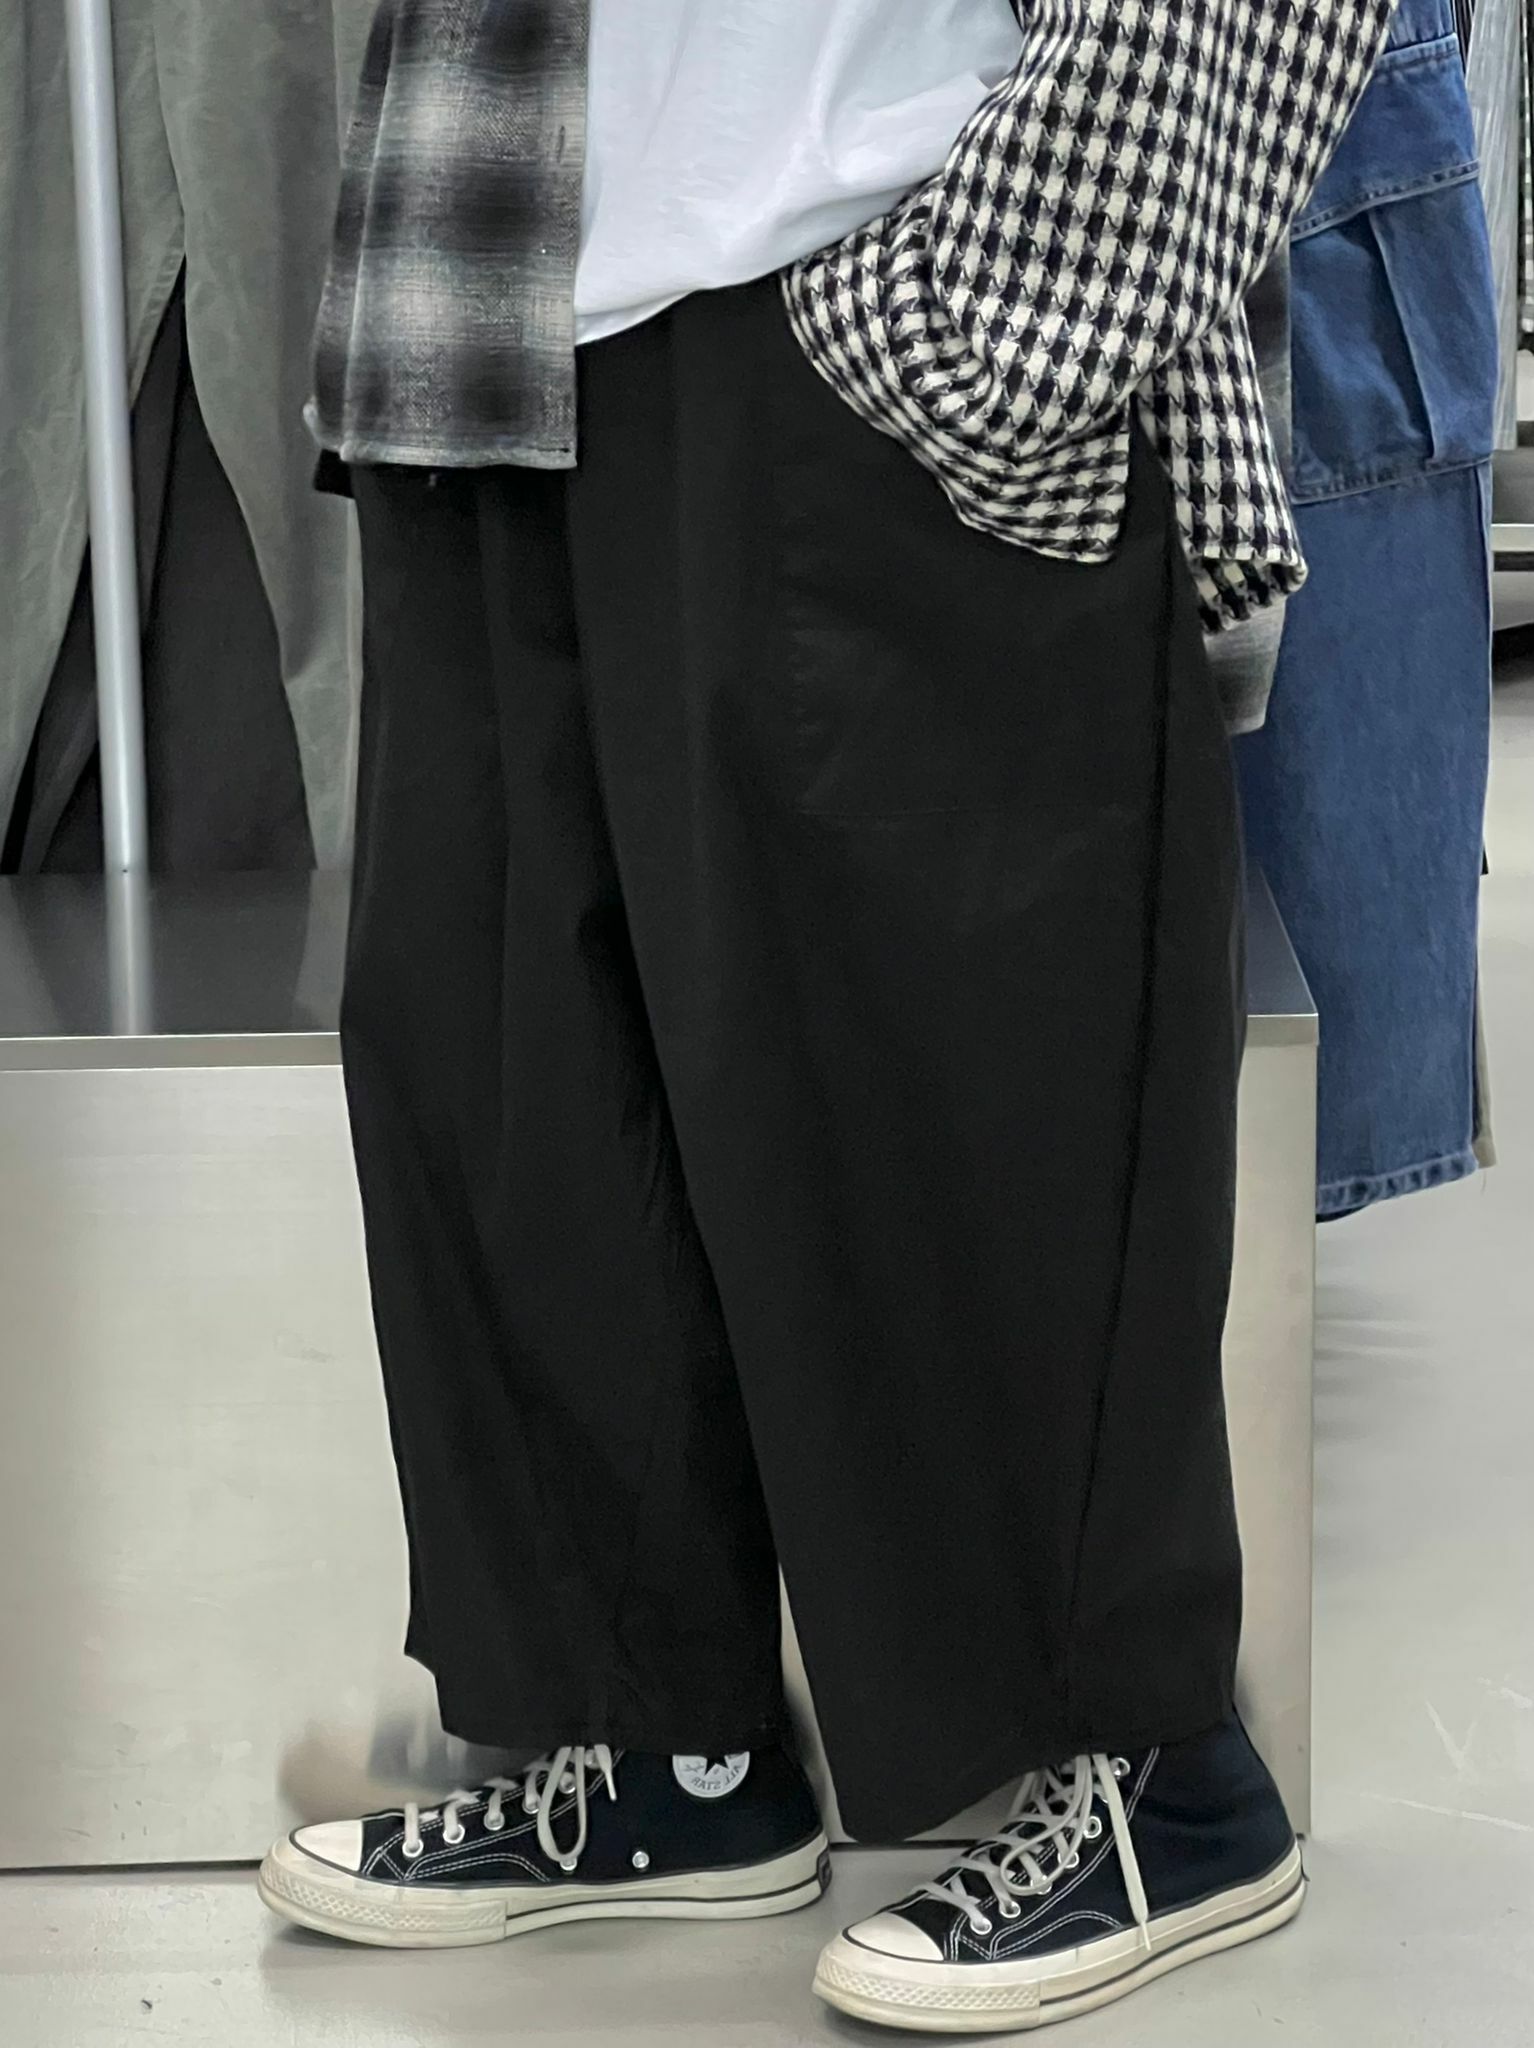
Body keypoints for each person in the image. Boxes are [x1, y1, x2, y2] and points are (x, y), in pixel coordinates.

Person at [257, 0, 1391, 2029]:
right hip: (494, 304)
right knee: (511, 1077)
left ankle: (1159, 1776)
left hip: (872, 267)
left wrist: (1002, 303)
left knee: (960, 1077)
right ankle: (668, 1752)